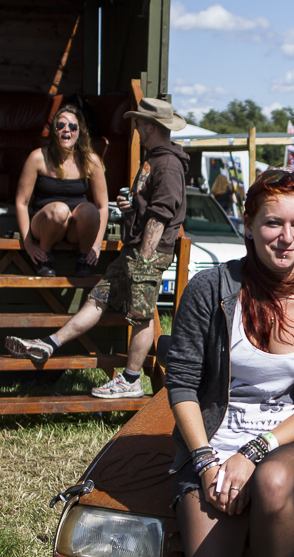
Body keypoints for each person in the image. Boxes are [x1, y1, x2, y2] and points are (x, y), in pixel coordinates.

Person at [164, 169, 294, 557]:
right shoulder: (211, 288)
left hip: (289, 447)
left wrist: (252, 453)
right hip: (210, 449)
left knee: (272, 479)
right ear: (248, 225)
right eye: (272, 223)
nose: (286, 238)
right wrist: (207, 462)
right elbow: (181, 383)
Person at [5, 98, 189, 399]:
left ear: (152, 126)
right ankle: (47, 345)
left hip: (148, 253)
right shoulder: (153, 158)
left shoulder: (167, 164)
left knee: (141, 316)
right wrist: (131, 208)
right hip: (133, 251)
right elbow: (148, 209)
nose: (137, 128)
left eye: (140, 123)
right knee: (97, 300)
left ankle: (130, 380)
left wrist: (144, 256)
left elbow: (162, 213)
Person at [14, 105, 108, 276]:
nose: (67, 130)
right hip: (44, 224)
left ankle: (83, 259)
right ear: (53, 131)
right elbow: (21, 202)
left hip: (75, 228)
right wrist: (28, 245)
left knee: (90, 210)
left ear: (80, 132)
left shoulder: (91, 161)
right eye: (61, 125)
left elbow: (102, 206)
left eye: (73, 127)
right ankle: (44, 258)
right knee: (59, 210)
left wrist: (97, 244)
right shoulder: (37, 157)